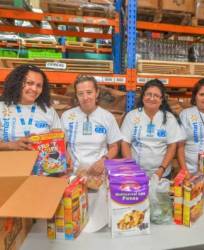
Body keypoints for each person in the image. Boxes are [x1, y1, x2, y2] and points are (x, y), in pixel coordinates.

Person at [61, 75, 122, 232]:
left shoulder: (107, 117)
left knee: (97, 225)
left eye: (89, 92)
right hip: (74, 177)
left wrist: (103, 160)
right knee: (75, 223)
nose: (85, 97)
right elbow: (62, 144)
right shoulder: (68, 116)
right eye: (81, 93)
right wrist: (65, 157)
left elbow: (114, 146)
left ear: (97, 93)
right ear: (76, 95)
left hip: (98, 177)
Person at [121, 79, 184, 179]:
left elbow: (172, 146)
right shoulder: (132, 116)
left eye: (156, 95)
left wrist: (161, 170)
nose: (151, 98)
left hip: (162, 174)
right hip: (135, 172)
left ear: (162, 99)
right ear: (143, 97)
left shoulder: (169, 118)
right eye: (148, 94)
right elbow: (125, 143)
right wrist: (131, 168)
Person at [0, 64, 61, 150]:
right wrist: (11, 145)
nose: (34, 89)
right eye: (29, 83)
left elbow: (59, 141)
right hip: (8, 162)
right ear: (17, 83)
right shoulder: (1, 108)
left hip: (41, 162)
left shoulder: (48, 111)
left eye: (39, 85)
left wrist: (43, 140)